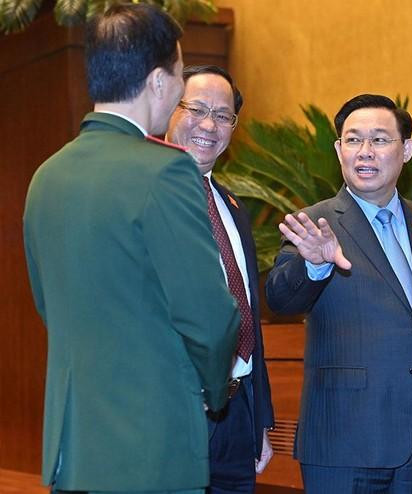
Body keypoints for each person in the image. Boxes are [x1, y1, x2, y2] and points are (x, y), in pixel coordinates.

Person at [22, 4, 240, 493]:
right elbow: (208, 316)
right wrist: (212, 391)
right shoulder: (165, 170)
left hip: (73, 449)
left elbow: (49, 307)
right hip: (152, 445)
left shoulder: (46, 177)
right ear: (160, 80)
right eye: (182, 73)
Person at [264, 94, 412, 493]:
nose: (365, 152)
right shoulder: (315, 224)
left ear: (406, 150)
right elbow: (281, 299)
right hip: (344, 439)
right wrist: (315, 265)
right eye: (353, 140)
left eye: (379, 140)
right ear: (339, 150)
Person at [167, 65, 275, 493]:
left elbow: (248, 312)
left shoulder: (233, 206)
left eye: (224, 115)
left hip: (238, 407)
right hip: (176, 407)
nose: (209, 125)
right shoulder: (145, 195)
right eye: (197, 109)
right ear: (169, 107)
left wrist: (259, 417)